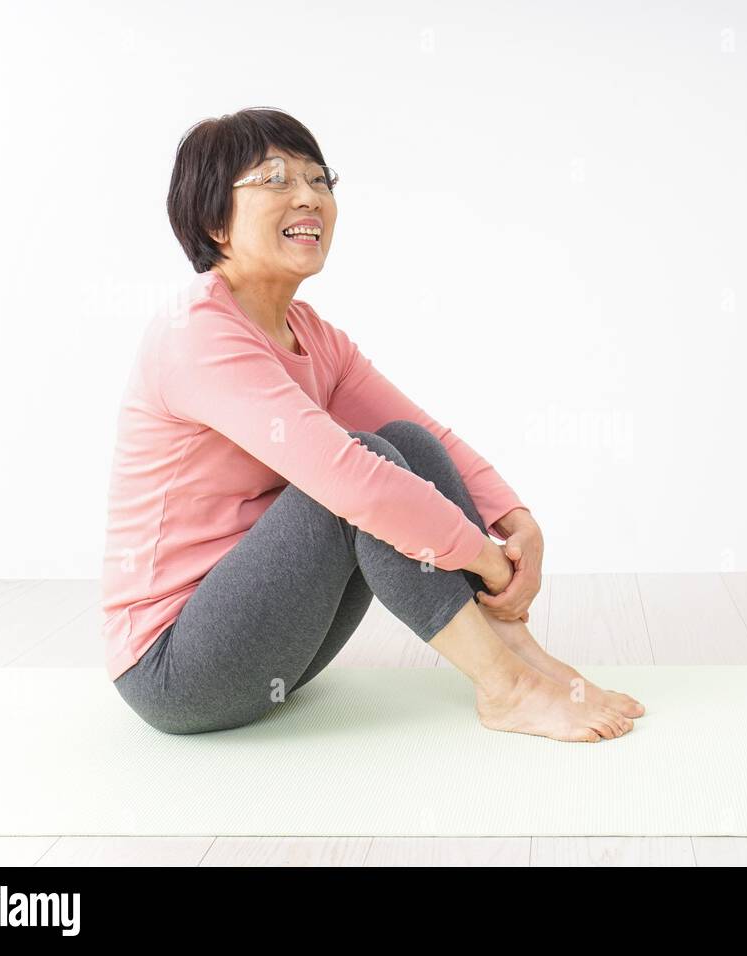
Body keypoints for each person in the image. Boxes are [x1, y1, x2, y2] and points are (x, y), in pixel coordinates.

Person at [101, 106, 644, 741]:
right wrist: (488, 562)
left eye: (319, 179)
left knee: (404, 445)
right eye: (276, 180)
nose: (309, 196)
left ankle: (520, 655)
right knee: (359, 477)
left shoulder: (314, 337)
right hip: (177, 671)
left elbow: (426, 436)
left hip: (278, 646)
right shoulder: (196, 333)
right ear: (214, 221)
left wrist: (516, 521)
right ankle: (508, 688)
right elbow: (353, 481)